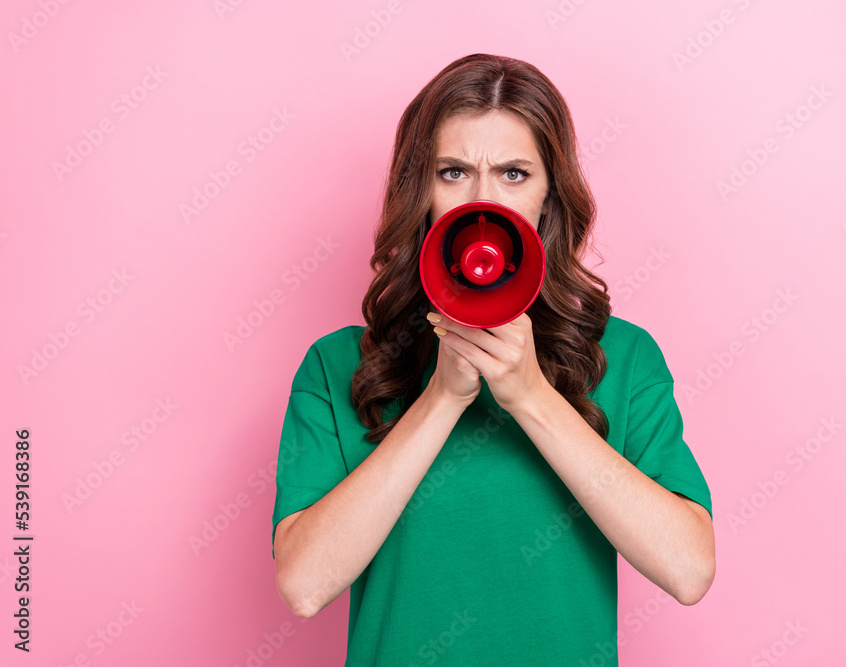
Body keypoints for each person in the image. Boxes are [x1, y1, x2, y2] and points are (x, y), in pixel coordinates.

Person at [271, 53, 715, 666]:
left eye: (513, 173)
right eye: (453, 172)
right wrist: (442, 399)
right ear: (419, 191)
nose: (483, 201)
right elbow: (303, 585)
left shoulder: (624, 357)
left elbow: (689, 570)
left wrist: (530, 396)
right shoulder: (339, 364)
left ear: (548, 196)